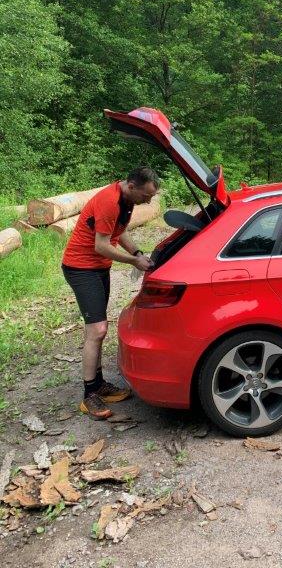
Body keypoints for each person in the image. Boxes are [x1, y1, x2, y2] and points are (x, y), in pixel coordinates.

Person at [62, 167, 159, 420]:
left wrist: (137, 252)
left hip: (97, 268)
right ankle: (89, 395)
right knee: (97, 330)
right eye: (146, 196)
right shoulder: (109, 200)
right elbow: (101, 245)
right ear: (131, 185)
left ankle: (99, 384)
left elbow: (119, 231)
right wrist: (132, 261)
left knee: (97, 329)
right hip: (81, 268)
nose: (147, 201)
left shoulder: (126, 201)